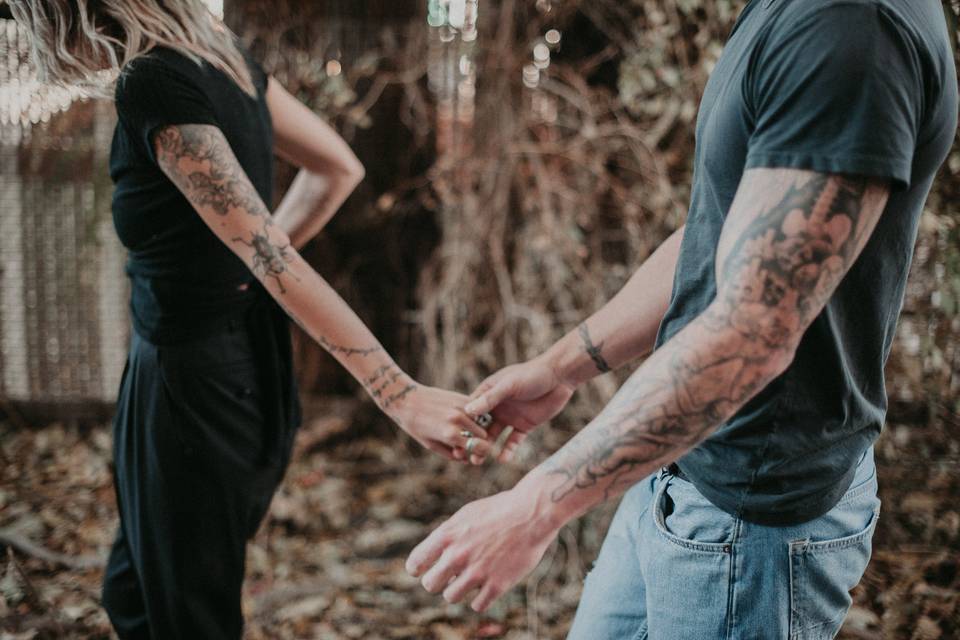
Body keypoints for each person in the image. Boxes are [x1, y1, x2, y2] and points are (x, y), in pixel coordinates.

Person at [407, 0, 958, 638]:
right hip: (680, 472)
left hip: (747, 528)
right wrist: (561, 368)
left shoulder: (847, 29)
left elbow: (752, 332)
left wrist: (536, 508)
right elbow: (723, 230)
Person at [8, 1, 495, 638]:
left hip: (190, 383)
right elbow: (335, 170)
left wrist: (398, 394)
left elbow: (271, 252)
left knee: (185, 614)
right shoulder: (222, 55)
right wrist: (243, 266)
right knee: (135, 589)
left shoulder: (153, 81)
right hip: (239, 360)